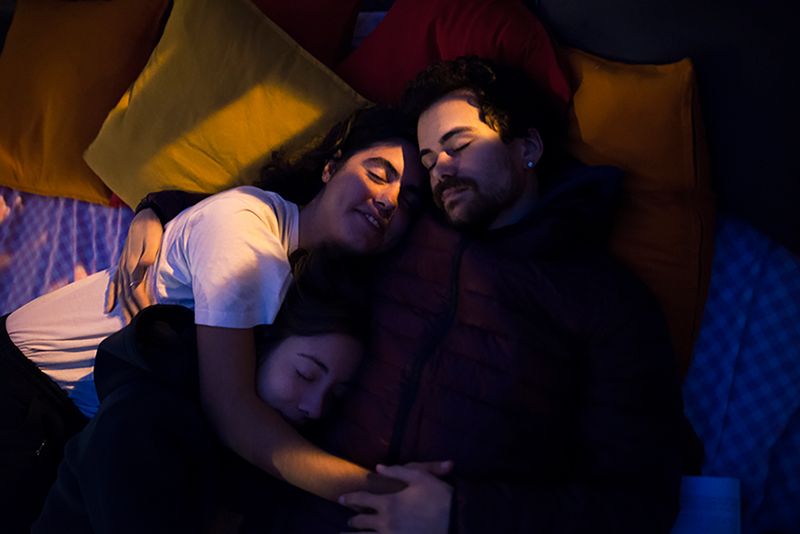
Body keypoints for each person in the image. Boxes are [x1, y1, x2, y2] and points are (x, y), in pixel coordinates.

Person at [105, 57, 698, 533]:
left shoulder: (607, 300)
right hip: (284, 510)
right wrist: (161, 209)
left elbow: (638, 502)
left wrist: (461, 515)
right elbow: (289, 211)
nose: (439, 168)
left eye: (459, 145)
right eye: (429, 157)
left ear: (527, 148)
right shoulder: (404, 232)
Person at [0, 105, 426, 532]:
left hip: (85, 426)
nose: (388, 200)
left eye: (407, 200)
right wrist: (381, 492)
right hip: (27, 390)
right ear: (331, 167)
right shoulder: (248, 235)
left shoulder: (303, 282)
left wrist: (158, 207)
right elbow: (231, 411)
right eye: (378, 174)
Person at [33, 248, 436, 533]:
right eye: (306, 374)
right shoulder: (141, 420)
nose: (315, 407)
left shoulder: (268, 464)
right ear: (259, 343)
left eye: (335, 394)